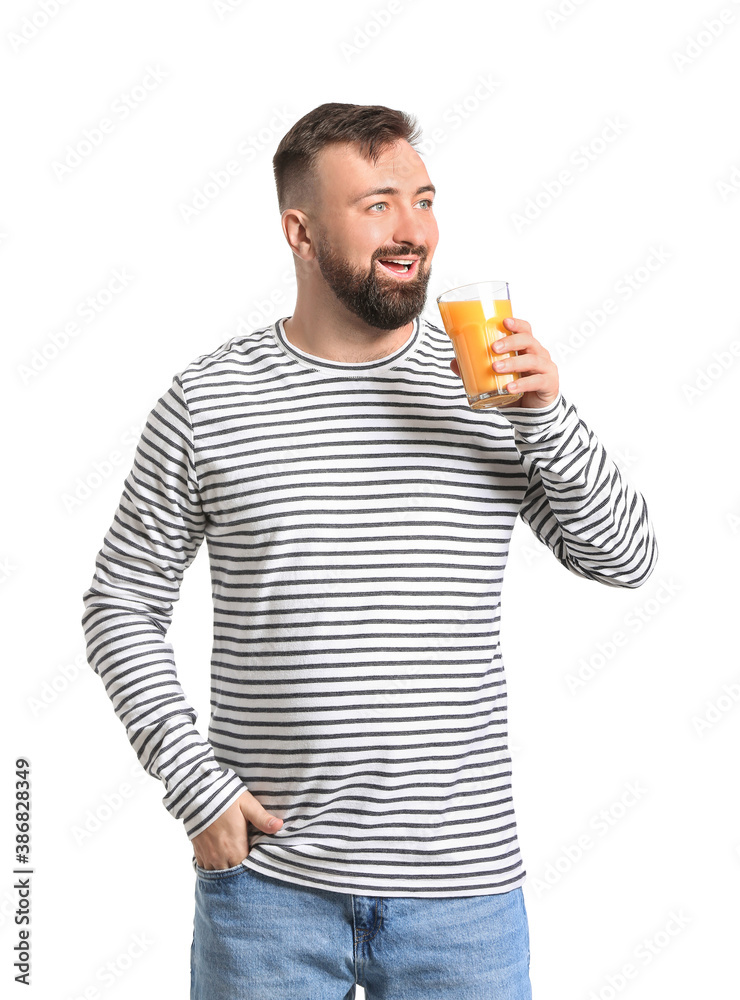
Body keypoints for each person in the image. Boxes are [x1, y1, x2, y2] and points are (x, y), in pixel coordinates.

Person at [81, 102, 658, 999]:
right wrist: (192, 782)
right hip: (267, 890)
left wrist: (547, 416)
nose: (414, 231)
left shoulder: (491, 383)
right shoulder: (209, 401)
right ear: (299, 232)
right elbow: (119, 604)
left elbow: (625, 558)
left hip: (463, 901)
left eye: (424, 200)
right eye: (378, 204)